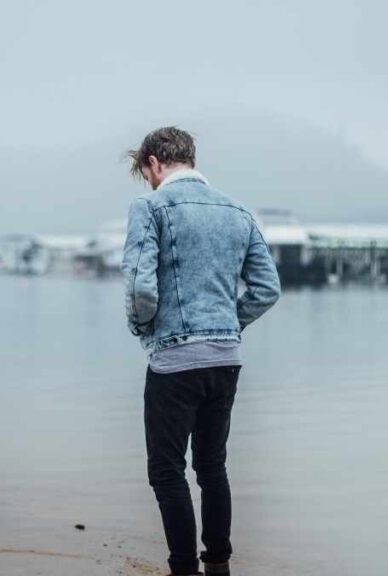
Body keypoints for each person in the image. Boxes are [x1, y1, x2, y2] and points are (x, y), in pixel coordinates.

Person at [121, 126, 281, 576]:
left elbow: (140, 287)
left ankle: (182, 569)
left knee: (167, 472)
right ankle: (218, 565)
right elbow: (267, 289)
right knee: (212, 467)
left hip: (174, 360)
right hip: (226, 359)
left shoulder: (150, 207)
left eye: (146, 173)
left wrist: (143, 329)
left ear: (153, 163)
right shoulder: (238, 211)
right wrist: (229, 324)